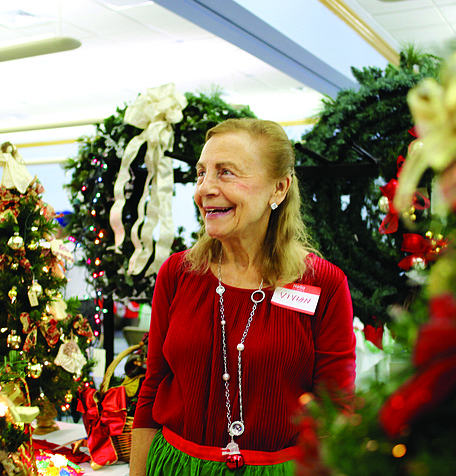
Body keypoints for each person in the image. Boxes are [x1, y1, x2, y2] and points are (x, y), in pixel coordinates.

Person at [130, 119, 356, 475]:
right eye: (202, 173)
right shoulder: (178, 273)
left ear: (278, 189)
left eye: (226, 173)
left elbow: (334, 413)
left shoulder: (323, 284)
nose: (205, 188)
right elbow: (153, 387)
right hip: (174, 465)